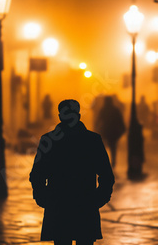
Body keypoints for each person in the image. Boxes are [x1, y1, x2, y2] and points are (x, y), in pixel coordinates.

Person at [30, 99, 115, 245]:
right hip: (85, 204)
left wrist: (43, 197)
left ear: (60, 116)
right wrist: (99, 198)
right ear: (78, 115)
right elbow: (106, 174)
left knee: (61, 241)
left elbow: (37, 174)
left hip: (58, 205)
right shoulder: (92, 140)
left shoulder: (48, 140)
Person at [94, 96, 126, 167]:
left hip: (105, 130)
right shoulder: (115, 110)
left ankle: (103, 161)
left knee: (103, 146)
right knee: (113, 147)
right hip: (113, 131)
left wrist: (96, 128)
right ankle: (113, 162)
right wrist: (123, 128)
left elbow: (98, 120)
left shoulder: (103, 110)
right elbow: (120, 120)